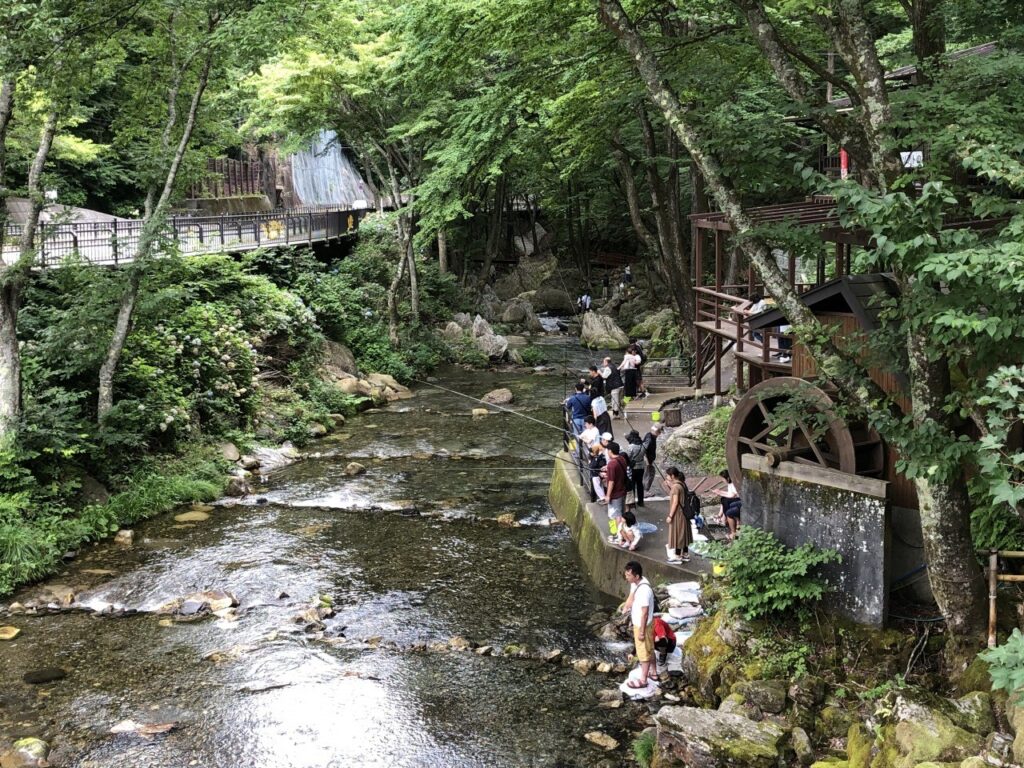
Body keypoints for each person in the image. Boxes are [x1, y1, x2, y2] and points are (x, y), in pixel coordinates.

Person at [621, 560, 655, 689]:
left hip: (643, 625)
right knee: (649, 648)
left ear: (636, 576)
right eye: (626, 574)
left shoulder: (644, 591)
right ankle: (654, 672)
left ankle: (643, 680)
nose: (626, 577)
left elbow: (644, 613)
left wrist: (641, 632)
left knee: (643, 652)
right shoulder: (636, 583)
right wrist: (626, 607)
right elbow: (631, 596)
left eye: (628, 575)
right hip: (640, 624)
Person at [663, 466, 692, 564]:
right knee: (684, 533)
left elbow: (675, 502)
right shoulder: (682, 484)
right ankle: (685, 554)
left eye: (668, 475)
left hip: (678, 514)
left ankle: (677, 556)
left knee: (678, 534)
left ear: (672, 476)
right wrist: (670, 485)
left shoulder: (676, 487)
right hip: (684, 513)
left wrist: (670, 516)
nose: (667, 477)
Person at [603, 441, 628, 538]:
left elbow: (611, 482)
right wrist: (607, 469)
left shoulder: (612, 464)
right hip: (623, 491)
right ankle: (623, 536)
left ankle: (620, 537)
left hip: (616, 494)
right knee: (621, 514)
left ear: (610, 451)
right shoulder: (622, 459)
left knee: (617, 516)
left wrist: (608, 495)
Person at [712, 469, 741, 540]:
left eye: (723, 479)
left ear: (727, 478)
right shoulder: (730, 484)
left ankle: (726, 520)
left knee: (726, 502)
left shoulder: (733, 484)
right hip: (736, 499)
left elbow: (732, 495)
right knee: (724, 499)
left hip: (738, 500)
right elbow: (729, 494)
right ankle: (723, 518)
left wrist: (719, 492)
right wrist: (720, 492)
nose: (722, 480)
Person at [623, 430, 645, 511]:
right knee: (640, 484)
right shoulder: (643, 445)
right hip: (641, 467)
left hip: (633, 467)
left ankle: (632, 502)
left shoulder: (631, 446)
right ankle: (641, 501)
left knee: (632, 484)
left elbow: (628, 456)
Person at [641, 423, 662, 494]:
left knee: (647, 474)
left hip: (649, 459)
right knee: (649, 474)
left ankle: (643, 490)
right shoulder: (649, 440)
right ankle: (645, 491)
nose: (660, 434)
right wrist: (647, 461)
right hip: (647, 460)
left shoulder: (650, 435)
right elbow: (643, 449)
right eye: (659, 432)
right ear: (658, 432)